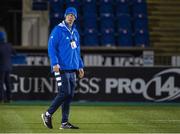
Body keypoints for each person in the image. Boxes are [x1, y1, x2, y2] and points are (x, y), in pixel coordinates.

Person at [41, 7, 84, 129]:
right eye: (69, 15)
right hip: (60, 68)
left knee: (69, 95)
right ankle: (47, 115)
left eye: (73, 15)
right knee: (64, 92)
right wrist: (54, 63)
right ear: (65, 16)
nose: (71, 17)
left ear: (75, 18)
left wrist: (80, 66)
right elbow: (51, 47)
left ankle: (64, 123)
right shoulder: (58, 30)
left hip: (72, 68)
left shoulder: (75, 32)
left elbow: (77, 50)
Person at [0, 31, 15, 103]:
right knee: (7, 83)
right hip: (8, 67)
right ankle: (9, 98)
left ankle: (1, 99)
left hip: (1, 68)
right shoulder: (9, 45)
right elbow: (15, 53)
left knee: (1, 83)